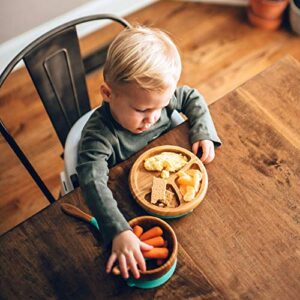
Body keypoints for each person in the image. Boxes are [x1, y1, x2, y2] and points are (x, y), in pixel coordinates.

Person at [76, 25, 221, 280]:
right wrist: (118, 231)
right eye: (142, 110)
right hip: (127, 202)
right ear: (108, 94)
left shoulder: (155, 101)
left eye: (162, 106)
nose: (153, 118)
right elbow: (91, 181)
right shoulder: (99, 135)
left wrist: (203, 132)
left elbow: (191, 97)